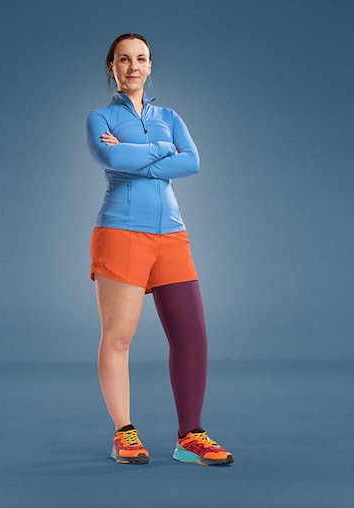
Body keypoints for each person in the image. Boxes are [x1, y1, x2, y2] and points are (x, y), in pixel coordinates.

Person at [85, 33, 233, 466]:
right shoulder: (99, 118)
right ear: (111, 67)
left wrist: (139, 152)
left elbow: (193, 161)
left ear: (150, 66)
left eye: (142, 59)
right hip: (121, 230)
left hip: (171, 234)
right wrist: (163, 150)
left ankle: (191, 435)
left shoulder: (170, 116)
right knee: (119, 337)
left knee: (192, 336)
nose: (134, 66)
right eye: (124, 59)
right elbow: (110, 159)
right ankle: (124, 435)